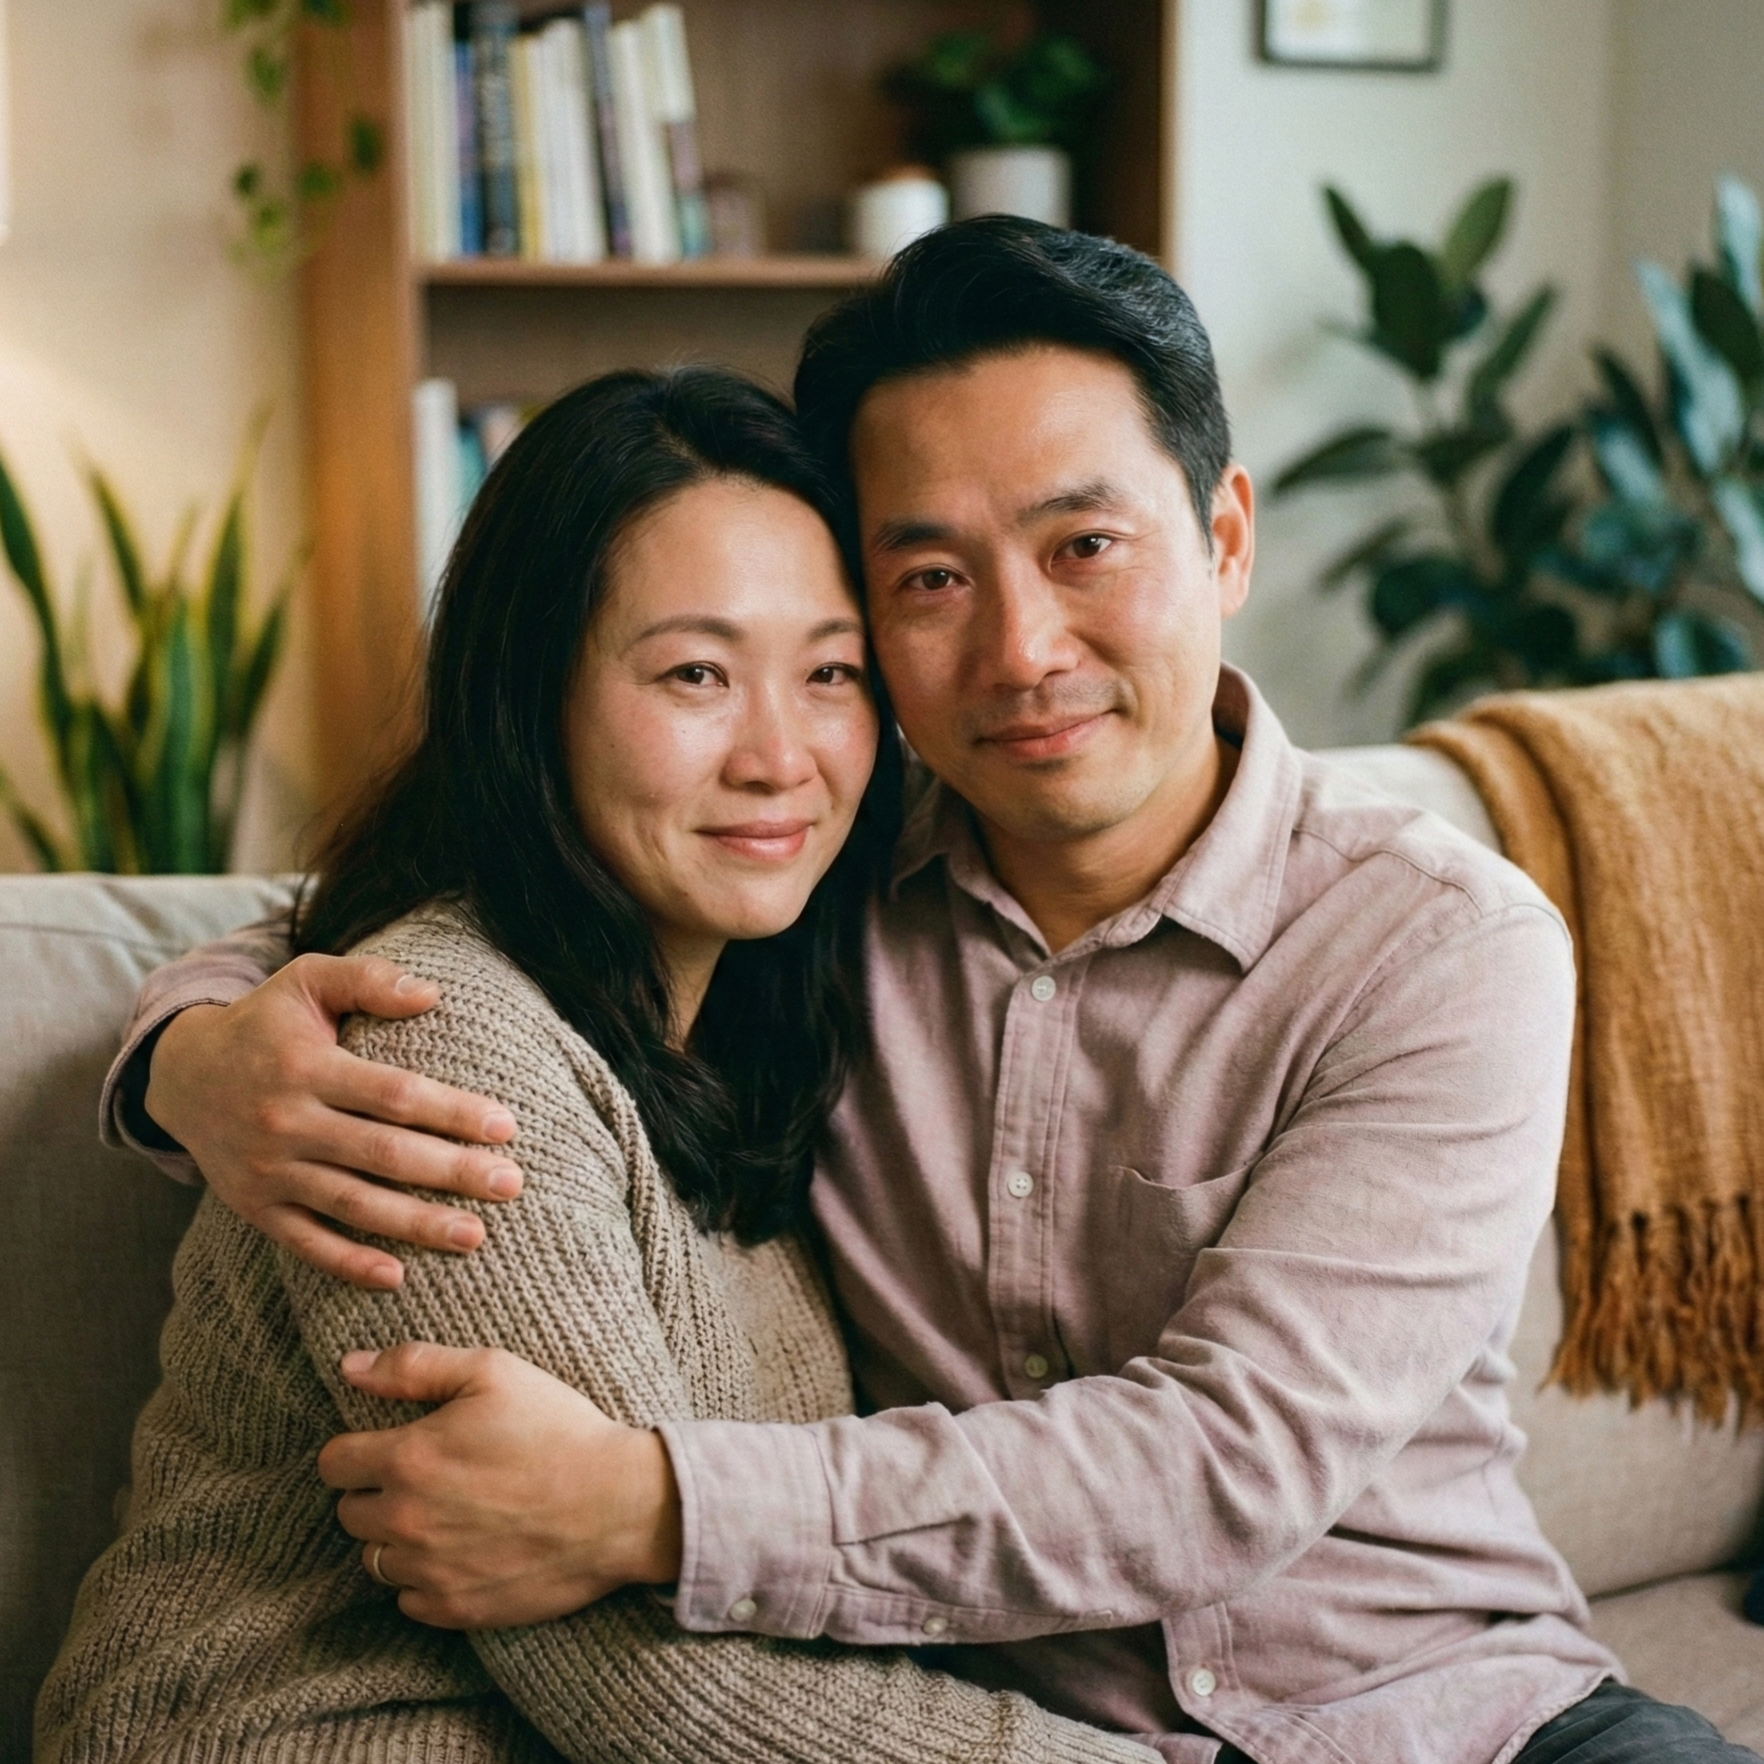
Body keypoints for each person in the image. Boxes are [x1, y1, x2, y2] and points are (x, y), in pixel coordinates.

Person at [107, 222, 1759, 1764]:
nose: (1023, 648)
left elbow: (1218, 1462)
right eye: (931, 580)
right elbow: (437, 922)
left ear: (1226, 535)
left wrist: (650, 1506)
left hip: (1456, 1718)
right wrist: (189, 1053)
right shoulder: (810, 874)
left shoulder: (1441, 945)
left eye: (1084, 544)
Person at [38, 366, 1155, 1764]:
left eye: (830, 674)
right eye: (694, 673)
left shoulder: (788, 996)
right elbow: (648, 1688)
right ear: (530, 694)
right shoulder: (443, 1047)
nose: (780, 757)